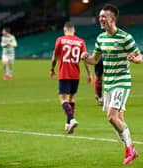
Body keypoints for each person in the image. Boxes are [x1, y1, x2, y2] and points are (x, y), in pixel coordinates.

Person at [84, 4, 142, 165]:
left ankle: (130, 149)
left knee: (111, 117)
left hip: (122, 81)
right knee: (118, 121)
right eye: (100, 16)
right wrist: (85, 57)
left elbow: (140, 57)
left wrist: (134, 59)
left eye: (104, 16)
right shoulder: (100, 38)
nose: (101, 19)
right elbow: (95, 60)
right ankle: (131, 151)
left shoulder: (125, 37)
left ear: (113, 19)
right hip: (108, 84)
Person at [50, 21, 92, 134]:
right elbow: (85, 59)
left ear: (65, 29)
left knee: (63, 99)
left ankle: (72, 119)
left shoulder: (60, 40)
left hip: (64, 73)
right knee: (72, 98)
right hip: (76, 74)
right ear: (73, 30)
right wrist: (89, 74)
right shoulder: (81, 41)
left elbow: (55, 57)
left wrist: (52, 69)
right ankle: (68, 123)